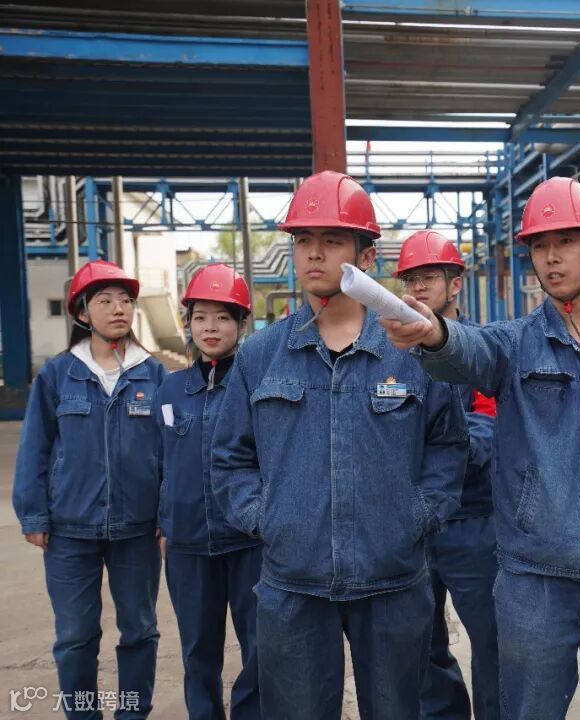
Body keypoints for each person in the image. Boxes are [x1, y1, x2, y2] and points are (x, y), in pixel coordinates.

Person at [381, 176, 580, 720]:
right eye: (540, 246)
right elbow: (467, 350)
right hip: (537, 577)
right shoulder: (514, 344)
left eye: (566, 242)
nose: (551, 258)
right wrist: (435, 333)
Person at [210, 171, 469, 720]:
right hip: (293, 585)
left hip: (393, 581)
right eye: (303, 240)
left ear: (366, 257)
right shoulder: (260, 357)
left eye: (331, 240)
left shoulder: (411, 353)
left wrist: (417, 515)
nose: (314, 253)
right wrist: (267, 517)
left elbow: (448, 446)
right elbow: (230, 456)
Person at [13, 260, 166, 719]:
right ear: (82, 312)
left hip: (137, 529)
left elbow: (170, 453)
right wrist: (34, 514)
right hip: (70, 529)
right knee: (76, 636)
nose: (119, 308)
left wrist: (168, 515)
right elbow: (35, 447)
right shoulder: (58, 375)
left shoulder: (153, 375)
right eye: (105, 300)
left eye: (125, 300)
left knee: (139, 629)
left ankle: (132, 713)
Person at [395, 230, 500, 720]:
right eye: (410, 279)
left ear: (455, 284)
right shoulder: (393, 354)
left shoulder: (481, 350)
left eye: (429, 277)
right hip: (413, 523)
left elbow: (488, 426)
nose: (418, 287)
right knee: (421, 644)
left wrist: (436, 455)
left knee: (493, 641)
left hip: (472, 519)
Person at [156, 263, 261, 720]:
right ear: (189, 324)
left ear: (242, 324)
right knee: (198, 650)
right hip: (188, 543)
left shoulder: (259, 386)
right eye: (200, 317)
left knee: (260, 647)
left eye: (222, 317)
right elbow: (159, 463)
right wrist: (163, 522)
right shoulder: (170, 390)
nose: (210, 328)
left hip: (249, 541)